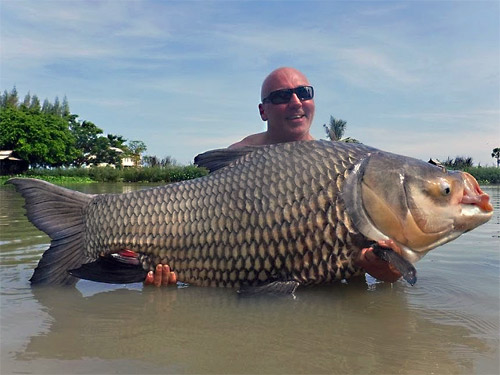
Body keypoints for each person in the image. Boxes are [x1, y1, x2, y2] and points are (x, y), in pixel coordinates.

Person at [143, 67, 402, 287]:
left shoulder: (347, 167)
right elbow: (196, 226)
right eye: (280, 97)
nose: (295, 102)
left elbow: (393, 274)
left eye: (303, 93)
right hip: (247, 282)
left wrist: (385, 269)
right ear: (263, 111)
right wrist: (167, 268)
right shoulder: (240, 156)